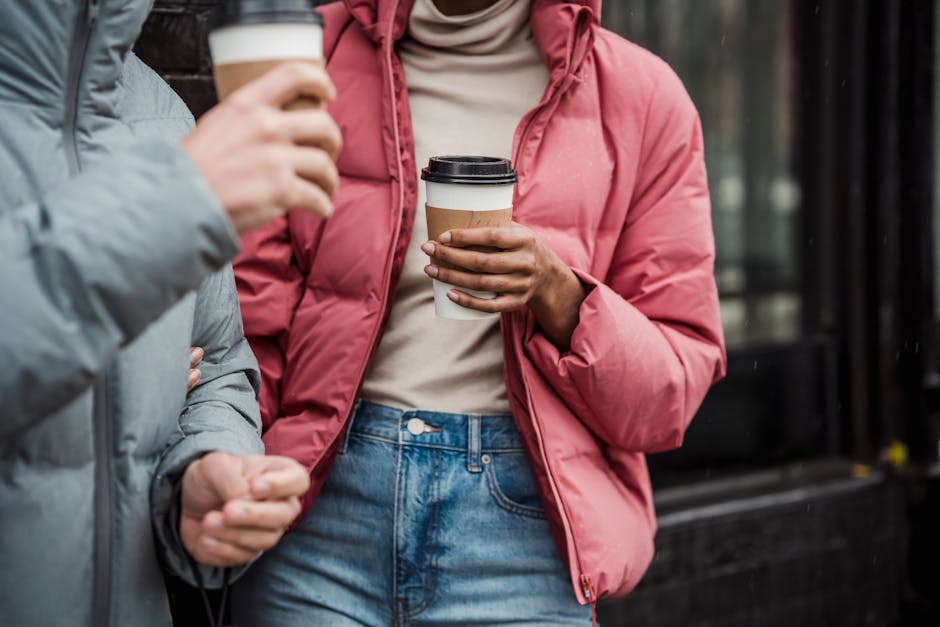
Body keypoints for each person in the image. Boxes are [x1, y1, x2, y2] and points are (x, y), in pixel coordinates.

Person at [232, 0, 726, 624]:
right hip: (320, 512)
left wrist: (559, 294)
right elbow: (250, 318)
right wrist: (234, 462)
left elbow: (669, 397)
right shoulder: (309, 52)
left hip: (522, 532)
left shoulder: (643, 99)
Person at [0, 1, 341, 626]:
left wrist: (197, 475)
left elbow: (215, 365)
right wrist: (167, 212)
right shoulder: (188, 168)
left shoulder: (162, 115)